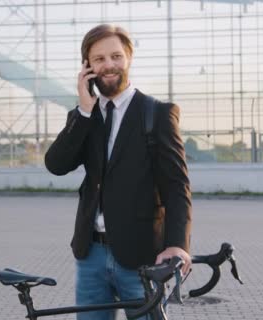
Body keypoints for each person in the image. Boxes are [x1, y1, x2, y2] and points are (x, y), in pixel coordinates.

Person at [45, 24, 192, 320]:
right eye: (99, 59)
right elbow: (57, 165)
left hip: (141, 256)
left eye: (115, 56)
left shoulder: (157, 114)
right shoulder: (85, 115)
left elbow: (177, 187)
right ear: (87, 66)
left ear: (128, 58)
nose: (108, 65)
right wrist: (84, 112)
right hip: (91, 256)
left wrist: (177, 244)